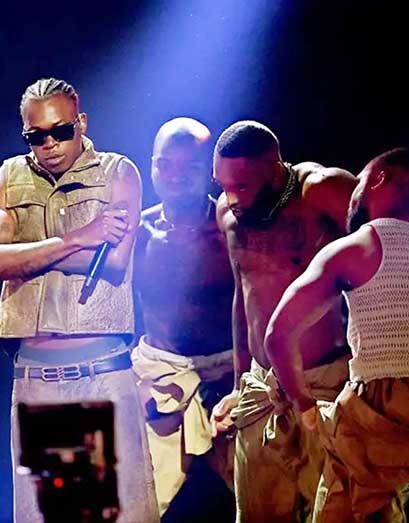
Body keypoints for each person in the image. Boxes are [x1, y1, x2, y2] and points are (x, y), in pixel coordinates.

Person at [0, 77, 159, 522]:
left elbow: (112, 264)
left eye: (61, 131)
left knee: (122, 514)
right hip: (36, 380)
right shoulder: (10, 175)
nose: (50, 144)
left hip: (104, 376)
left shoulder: (118, 172)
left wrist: (27, 255)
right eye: (37, 136)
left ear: (81, 123)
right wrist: (79, 239)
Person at [265, 148, 409, 522]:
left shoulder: (359, 246)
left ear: (378, 178)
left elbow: (278, 334)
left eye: (359, 181)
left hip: (374, 433)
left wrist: (307, 410)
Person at [210, 120, 356, 521]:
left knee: (334, 512)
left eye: (241, 186)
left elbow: (389, 258)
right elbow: (243, 299)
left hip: (325, 382)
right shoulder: (227, 211)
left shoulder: (323, 192)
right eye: (222, 184)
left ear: (274, 170)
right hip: (262, 385)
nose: (230, 197)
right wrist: (241, 383)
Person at [131, 117, 235, 516]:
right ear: (152, 166)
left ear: (209, 170)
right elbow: (112, 313)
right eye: (164, 164)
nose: (174, 176)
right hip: (160, 378)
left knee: (263, 502)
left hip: (230, 378)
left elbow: (259, 308)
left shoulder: (232, 230)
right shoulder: (137, 232)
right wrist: (130, 380)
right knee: (141, 505)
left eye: (188, 166)